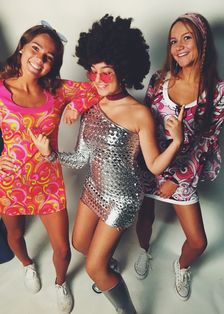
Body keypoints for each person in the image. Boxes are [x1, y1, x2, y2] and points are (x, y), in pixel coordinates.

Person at [30, 14, 184, 314]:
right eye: (93, 73)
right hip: (93, 189)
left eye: (106, 73)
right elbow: (81, 159)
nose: (97, 81)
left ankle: (126, 308)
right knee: (78, 243)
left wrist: (176, 141)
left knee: (94, 269)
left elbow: (153, 166)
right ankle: (107, 265)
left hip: (121, 199)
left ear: (123, 71)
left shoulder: (139, 113)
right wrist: (51, 153)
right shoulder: (91, 106)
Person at [0, 22, 99, 314]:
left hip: (48, 183)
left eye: (49, 57)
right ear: (21, 47)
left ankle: (60, 282)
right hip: (9, 180)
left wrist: (76, 106)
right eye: (36, 48)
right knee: (15, 235)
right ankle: (28, 265)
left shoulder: (56, 90)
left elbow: (97, 89)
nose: (40, 59)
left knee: (63, 248)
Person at [134, 12, 224, 301]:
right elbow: (144, 127)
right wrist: (148, 167)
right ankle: (144, 251)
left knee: (198, 241)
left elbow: (208, 140)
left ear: (202, 40)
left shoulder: (220, 91)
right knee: (144, 220)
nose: (178, 46)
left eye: (186, 37)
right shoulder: (159, 80)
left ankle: (181, 265)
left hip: (184, 173)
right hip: (151, 166)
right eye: (173, 40)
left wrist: (176, 179)